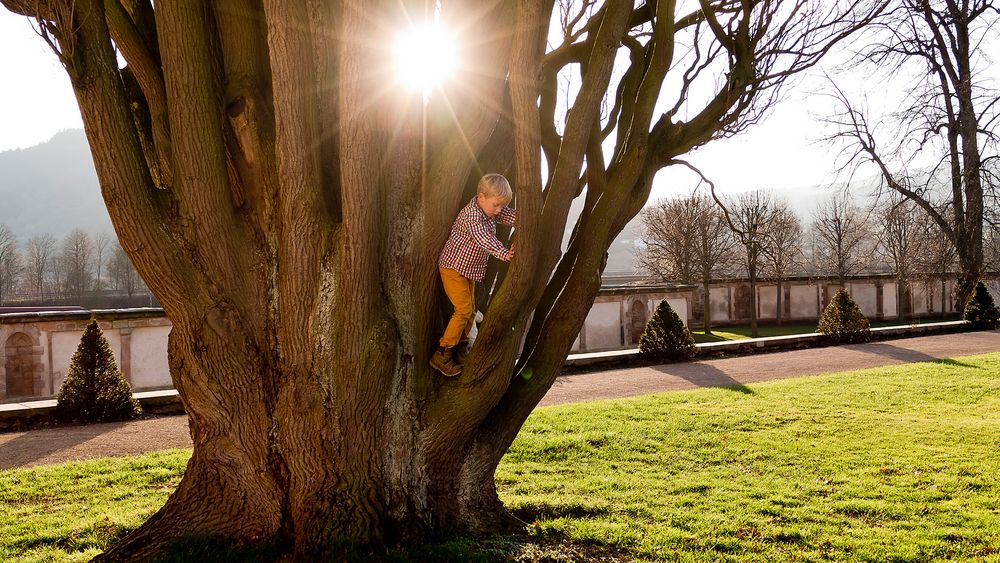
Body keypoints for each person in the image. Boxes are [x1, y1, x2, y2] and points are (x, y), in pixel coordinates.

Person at [431, 173, 516, 376]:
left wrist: (527, 219)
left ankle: (461, 347)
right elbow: (484, 239)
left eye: (501, 206)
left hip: (468, 271)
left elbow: (508, 215)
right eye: (496, 205)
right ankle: (442, 353)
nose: (498, 210)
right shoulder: (472, 216)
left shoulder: (490, 211)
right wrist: (504, 253)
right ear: (481, 197)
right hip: (453, 268)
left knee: (469, 311)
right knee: (463, 310)